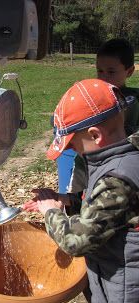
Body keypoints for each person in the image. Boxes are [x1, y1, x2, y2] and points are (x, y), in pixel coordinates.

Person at [23, 78, 139, 303]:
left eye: (73, 144)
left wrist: (50, 212)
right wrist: (67, 200)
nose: (71, 150)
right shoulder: (122, 155)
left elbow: (75, 242)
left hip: (123, 300)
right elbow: (109, 209)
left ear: (95, 135)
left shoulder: (116, 179)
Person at [57, 38, 139, 201]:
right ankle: (74, 203)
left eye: (111, 72)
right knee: (78, 194)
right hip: (87, 163)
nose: (103, 77)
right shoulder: (92, 99)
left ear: (129, 72)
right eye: (100, 71)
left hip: (116, 166)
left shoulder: (131, 102)